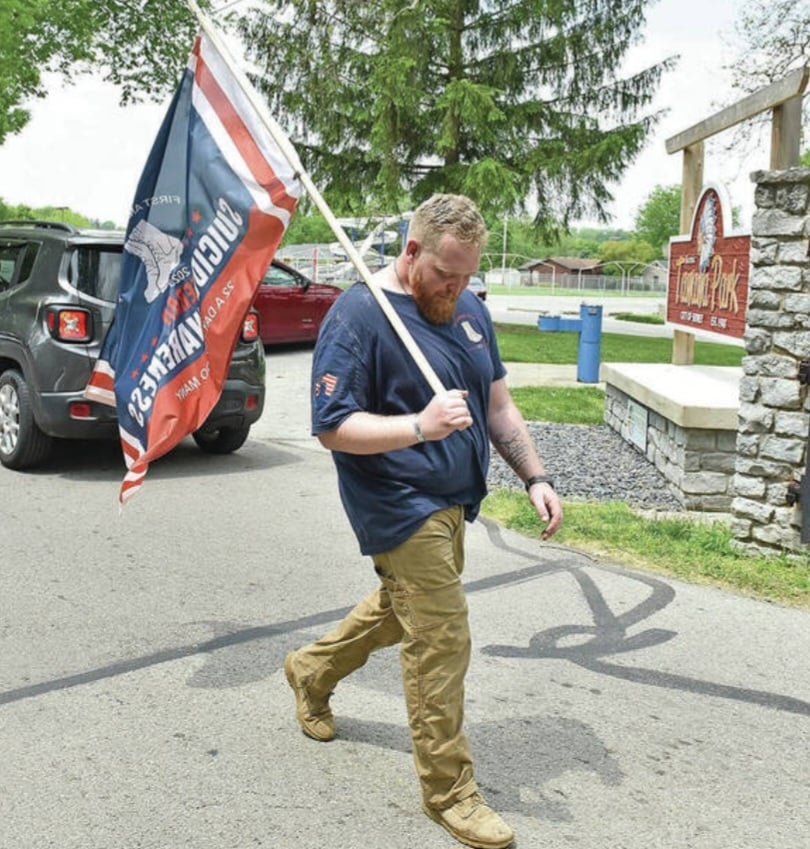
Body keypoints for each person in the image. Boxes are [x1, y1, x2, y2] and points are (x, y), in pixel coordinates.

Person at [284, 193, 562, 849]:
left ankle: (311, 670)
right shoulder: (358, 316)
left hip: (451, 501)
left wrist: (536, 475)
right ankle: (450, 790)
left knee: (397, 610)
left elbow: (498, 401)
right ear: (411, 251)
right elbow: (332, 426)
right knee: (441, 637)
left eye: (468, 276)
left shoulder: (468, 310)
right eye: (447, 274)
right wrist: (419, 425)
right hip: (395, 502)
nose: (458, 288)